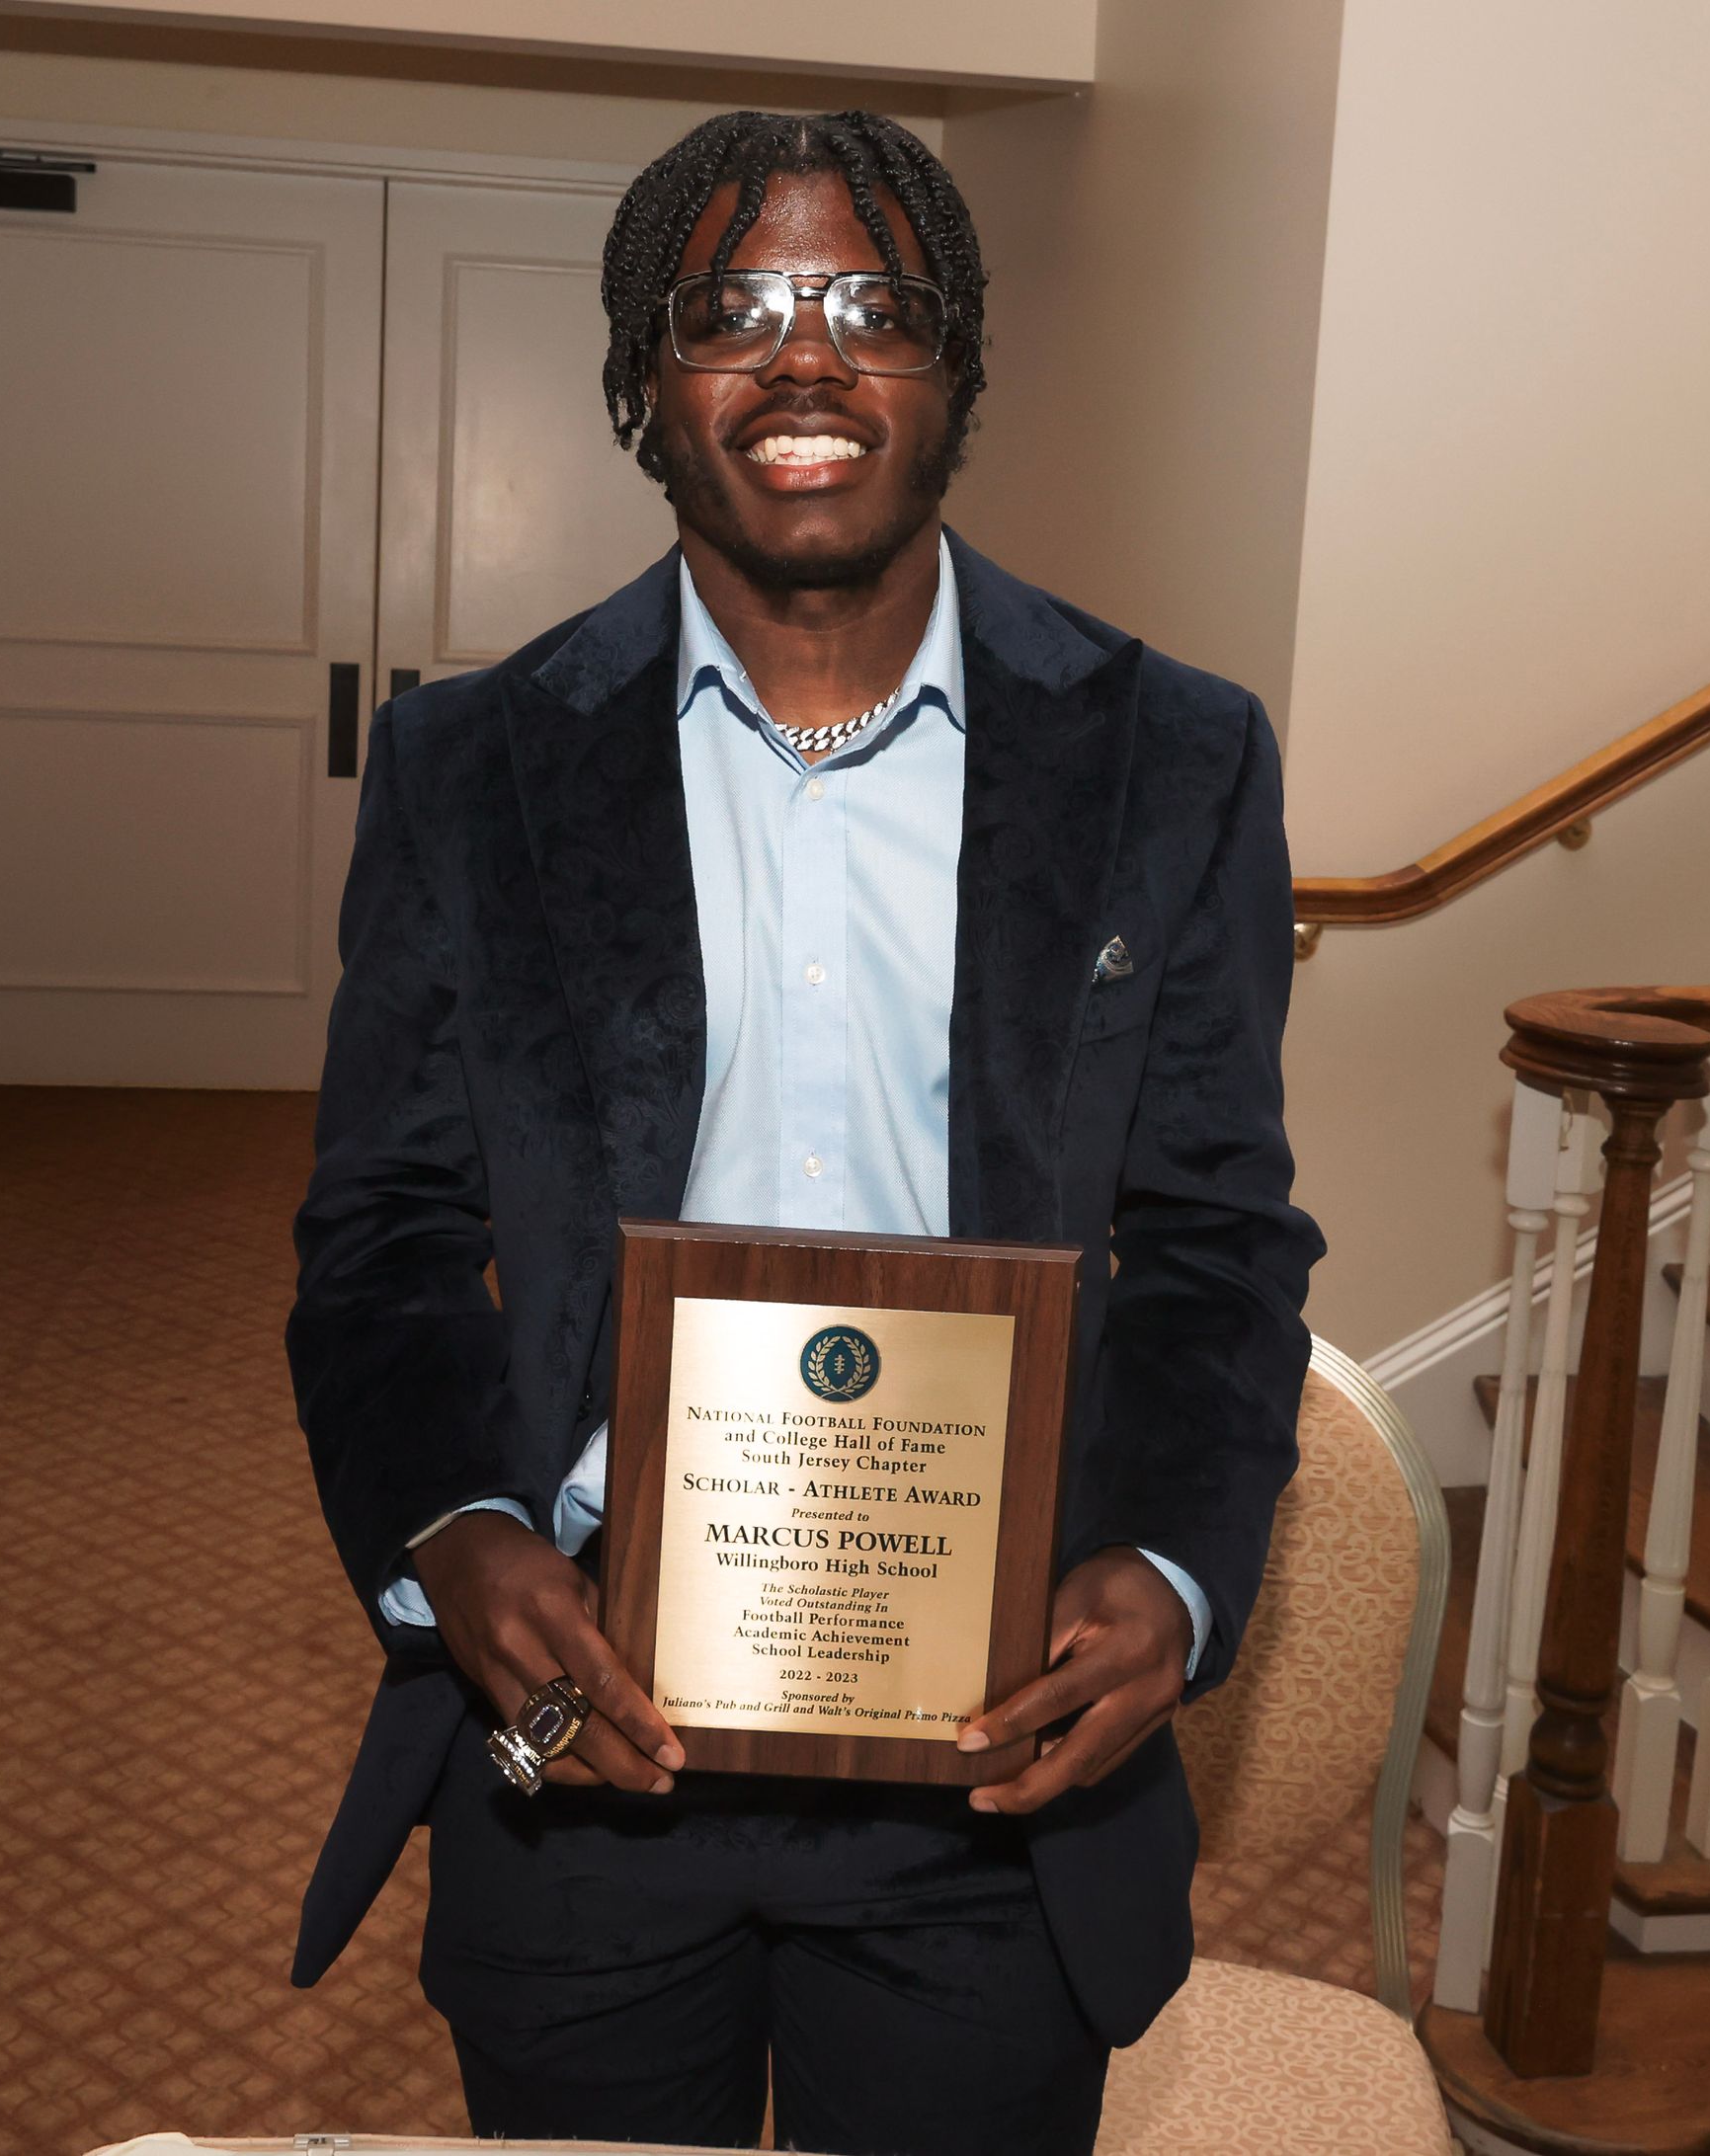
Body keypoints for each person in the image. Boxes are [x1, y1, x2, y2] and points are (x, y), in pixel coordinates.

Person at [285, 107, 1323, 2156]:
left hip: (990, 1763)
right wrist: (458, 1534)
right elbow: (386, 1233)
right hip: (589, 1738)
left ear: (954, 368)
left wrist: (1179, 1569)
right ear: (640, 381)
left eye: (874, 303)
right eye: (732, 308)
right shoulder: (468, 766)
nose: (808, 355)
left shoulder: (1171, 758)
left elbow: (1219, 1234)